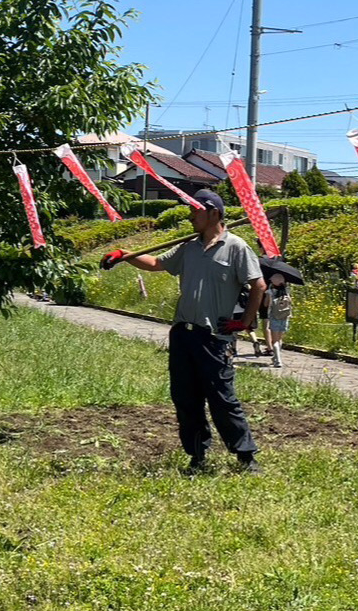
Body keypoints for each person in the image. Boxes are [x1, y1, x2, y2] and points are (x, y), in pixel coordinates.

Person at [101, 189, 265, 474]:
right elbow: (156, 264)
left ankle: (246, 456)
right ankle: (197, 456)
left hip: (214, 338)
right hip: (183, 334)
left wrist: (245, 322)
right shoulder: (188, 247)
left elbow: (258, 285)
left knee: (222, 398)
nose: (191, 216)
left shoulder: (236, 247)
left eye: (195, 211)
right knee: (185, 398)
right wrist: (125, 256)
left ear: (214, 213)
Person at [266, 271, 294, 368]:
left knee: (275, 341)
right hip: (285, 316)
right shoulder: (287, 291)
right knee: (280, 338)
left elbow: (266, 304)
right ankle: (275, 357)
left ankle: (278, 360)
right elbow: (290, 302)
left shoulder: (270, 292)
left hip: (274, 317)